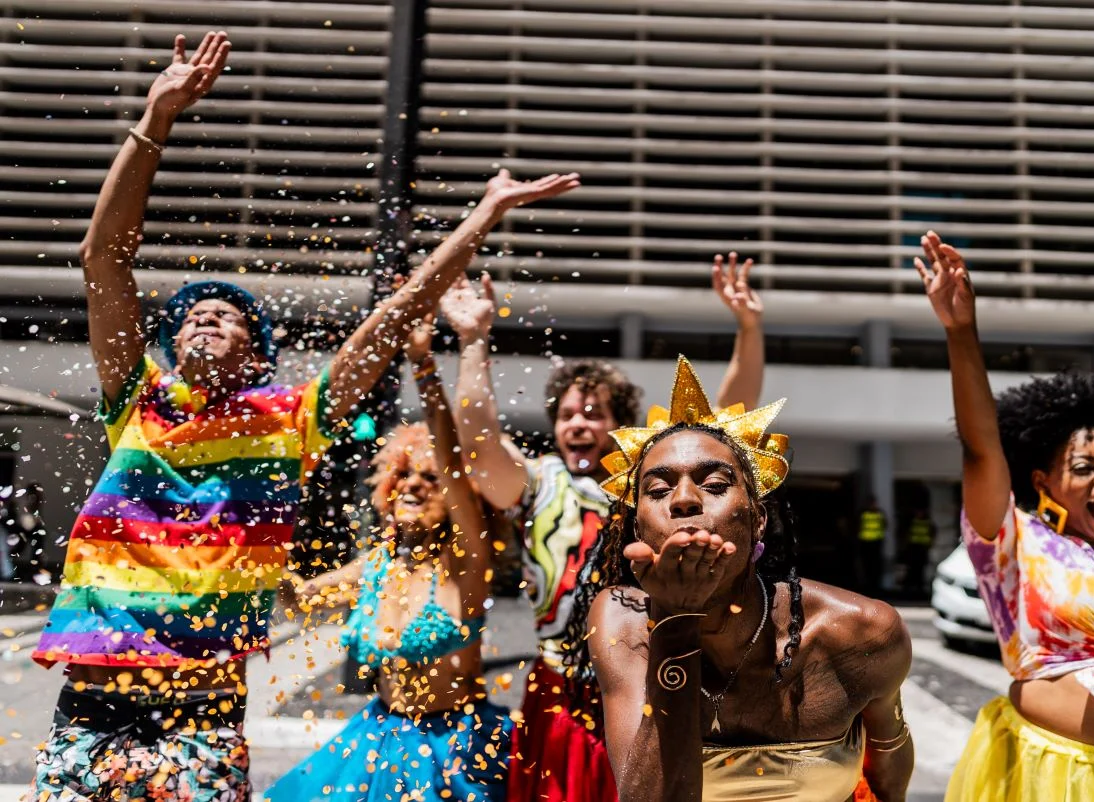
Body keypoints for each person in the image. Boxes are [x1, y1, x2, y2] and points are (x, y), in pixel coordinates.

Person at [27, 30, 580, 801]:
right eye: (189, 314)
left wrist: (483, 215)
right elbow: (103, 258)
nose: (203, 318)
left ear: (257, 358)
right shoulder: (137, 403)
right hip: (92, 708)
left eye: (226, 314)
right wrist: (156, 117)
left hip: (202, 717)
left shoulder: (289, 418)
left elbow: (392, 318)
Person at [440, 253, 767, 802]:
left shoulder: (650, 483)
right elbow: (477, 444)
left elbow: (724, 420)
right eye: (568, 414)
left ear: (620, 428)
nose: (578, 424)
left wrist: (749, 328)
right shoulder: (539, 481)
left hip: (650, 669)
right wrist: (473, 340)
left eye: (594, 414)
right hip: (560, 689)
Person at [915, 230, 1094, 800]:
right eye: (1085, 467)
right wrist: (961, 331)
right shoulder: (1015, 542)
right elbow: (980, 448)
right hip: (1058, 777)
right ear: (1042, 481)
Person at [584, 356, 913, 802]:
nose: (683, 500)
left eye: (715, 484)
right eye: (658, 491)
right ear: (639, 530)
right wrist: (676, 617)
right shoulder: (621, 621)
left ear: (757, 520)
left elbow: (889, 779)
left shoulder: (862, 632)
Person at [266, 318, 510, 802]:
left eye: (428, 478)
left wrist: (423, 366)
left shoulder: (464, 563)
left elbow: (453, 463)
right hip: (380, 736)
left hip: (454, 748)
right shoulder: (377, 565)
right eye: (402, 475)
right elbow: (299, 601)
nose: (413, 485)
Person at [856, 497, 886, 596]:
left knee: (875, 568)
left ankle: (875, 588)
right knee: (867, 567)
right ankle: (868, 588)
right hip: (866, 544)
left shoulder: (880, 514)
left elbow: (885, 526)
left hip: (876, 544)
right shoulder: (863, 514)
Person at [903, 509, 933, 595]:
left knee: (921, 569)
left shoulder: (927, 522)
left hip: (922, 548)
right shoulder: (912, 522)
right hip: (913, 548)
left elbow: (932, 533)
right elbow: (907, 534)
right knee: (912, 568)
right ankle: (910, 587)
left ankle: (919, 588)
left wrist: (929, 543)